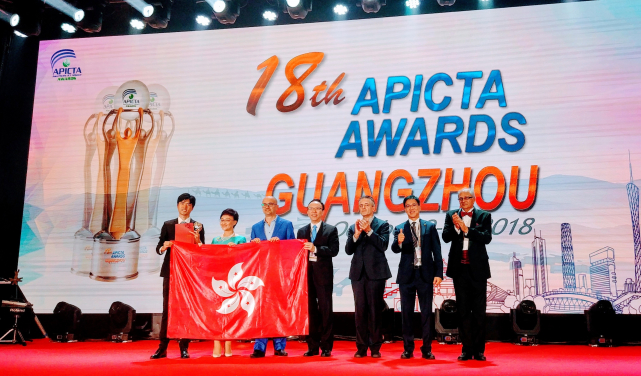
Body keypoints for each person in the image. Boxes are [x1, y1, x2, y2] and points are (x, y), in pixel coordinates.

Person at [151, 193, 205, 360]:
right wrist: (165, 246)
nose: (184, 207)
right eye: (182, 203)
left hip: (187, 273)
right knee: (167, 310)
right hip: (171, 272)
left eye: (188, 204)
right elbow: (158, 248)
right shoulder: (168, 225)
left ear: (192, 207)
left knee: (185, 310)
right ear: (177, 205)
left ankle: (184, 347)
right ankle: (163, 347)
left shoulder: (197, 226)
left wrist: (197, 241)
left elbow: (201, 251)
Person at [442, 188, 492, 361]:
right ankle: (466, 348)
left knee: (479, 311)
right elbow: (446, 237)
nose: (463, 201)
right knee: (463, 311)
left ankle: (479, 350)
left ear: (474, 199)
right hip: (459, 270)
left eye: (466, 198)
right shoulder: (451, 215)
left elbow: (486, 238)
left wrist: (466, 229)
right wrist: (457, 228)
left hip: (477, 270)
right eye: (460, 198)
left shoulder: (484, 216)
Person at [391, 195, 443, 360]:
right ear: (404, 209)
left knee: (426, 313)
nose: (411, 208)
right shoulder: (399, 228)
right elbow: (395, 249)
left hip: (425, 275)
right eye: (408, 206)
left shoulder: (430, 227)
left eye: (414, 205)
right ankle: (408, 349)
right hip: (407, 276)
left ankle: (427, 348)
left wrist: (438, 273)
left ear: (419, 207)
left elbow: (437, 251)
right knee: (406, 314)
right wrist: (398, 242)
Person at [249, 196, 295, 358]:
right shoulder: (255, 227)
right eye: (264, 204)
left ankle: (279, 346)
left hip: (279, 273)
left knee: (279, 309)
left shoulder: (286, 225)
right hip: (261, 274)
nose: (267, 207)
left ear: (277, 206)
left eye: (270, 204)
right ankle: (259, 347)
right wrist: (253, 243)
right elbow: (251, 253)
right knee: (260, 309)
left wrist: (280, 243)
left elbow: (292, 249)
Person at [345, 195, 391, 358]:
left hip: (376, 273)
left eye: (367, 205)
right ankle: (361, 347)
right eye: (361, 205)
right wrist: (356, 234)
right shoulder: (353, 226)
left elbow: (383, 245)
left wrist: (369, 231)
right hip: (358, 274)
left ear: (374, 208)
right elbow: (348, 250)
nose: (363, 207)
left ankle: (375, 347)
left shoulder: (382, 225)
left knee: (374, 310)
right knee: (360, 311)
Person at [296, 199, 339, 358]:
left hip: (324, 276)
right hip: (306, 276)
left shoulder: (331, 230)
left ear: (323, 211)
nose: (314, 211)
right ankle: (312, 346)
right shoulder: (301, 231)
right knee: (310, 311)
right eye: (311, 209)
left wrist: (316, 248)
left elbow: (334, 250)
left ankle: (326, 347)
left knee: (326, 311)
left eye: (317, 209)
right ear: (307, 211)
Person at [211, 208, 246, 358]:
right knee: (216, 312)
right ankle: (216, 343)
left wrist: (236, 250)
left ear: (235, 222)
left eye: (228, 220)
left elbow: (245, 259)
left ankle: (228, 344)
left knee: (230, 312)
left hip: (232, 280)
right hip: (217, 278)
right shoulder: (215, 240)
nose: (224, 223)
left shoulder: (240, 239)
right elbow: (210, 258)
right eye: (222, 220)